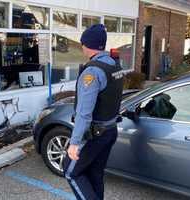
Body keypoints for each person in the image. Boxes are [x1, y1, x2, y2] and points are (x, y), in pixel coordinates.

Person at [63, 24, 124, 200]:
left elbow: (84, 112)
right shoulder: (114, 64)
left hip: (95, 135)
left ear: (85, 44)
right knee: (94, 174)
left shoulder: (92, 72)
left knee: (70, 171)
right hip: (110, 131)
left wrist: (74, 143)